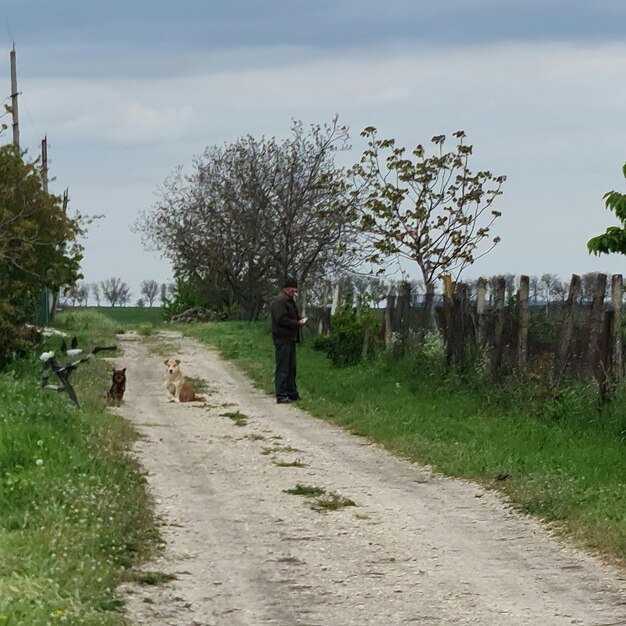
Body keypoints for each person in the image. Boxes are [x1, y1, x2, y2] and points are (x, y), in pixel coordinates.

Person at [270, 277, 306, 404]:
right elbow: (281, 319)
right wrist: (296, 323)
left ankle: (292, 393)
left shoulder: (290, 302)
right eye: (292, 288)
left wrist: (299, 318)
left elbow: (290, 316)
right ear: (286, 288)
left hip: (290, 339)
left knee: (291, 367)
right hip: (282, 338)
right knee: (283, 368)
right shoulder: (280, 302)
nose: (294, 291)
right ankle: (281, 394)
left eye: (295, 289)